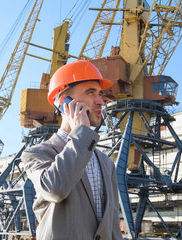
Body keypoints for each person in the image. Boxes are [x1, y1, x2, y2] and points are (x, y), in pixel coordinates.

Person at [21, 60, 123, 239]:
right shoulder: (36, 154)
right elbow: (55, 189)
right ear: (64, 102)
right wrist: (81, 133)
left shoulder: (106, 163)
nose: (101, 101)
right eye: (91, 93)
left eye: (100, 94)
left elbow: (113, 223)